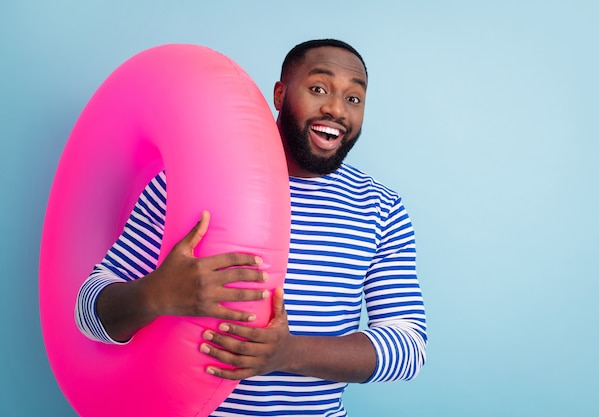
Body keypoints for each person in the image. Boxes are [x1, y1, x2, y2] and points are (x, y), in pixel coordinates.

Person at [75, 38, 427, 416]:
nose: (336, 109)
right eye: (318, 89)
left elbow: (408, 346)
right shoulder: (184, 184)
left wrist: (289, 353)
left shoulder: (380, 207)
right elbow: (87, 311)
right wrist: (155, 294)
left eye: (354, 99)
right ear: (280, 94)